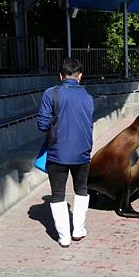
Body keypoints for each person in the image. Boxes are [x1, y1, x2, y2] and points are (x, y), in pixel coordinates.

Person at [37, 58, 94, 247]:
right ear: (80, 76)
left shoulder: (50, 93)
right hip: (83, 153)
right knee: (81, 191)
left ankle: (63, 237)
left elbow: (42, 124)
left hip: (58, 153)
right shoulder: (87, 96)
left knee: (57, 195)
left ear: (61, 76)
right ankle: (78, 230)